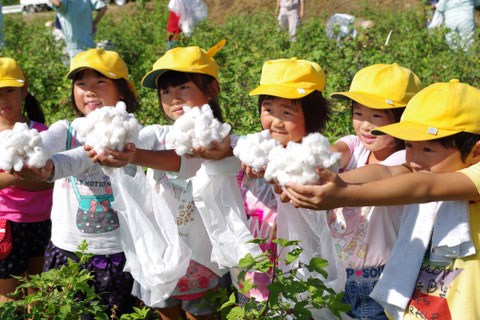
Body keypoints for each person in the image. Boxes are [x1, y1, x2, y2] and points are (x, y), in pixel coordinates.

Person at [280, 79, 480, 319]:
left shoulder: (472, 178)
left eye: (428, 149)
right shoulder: (419, 167)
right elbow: (385, 172)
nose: (414, 160)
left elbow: (425, 187)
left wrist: (343, 196)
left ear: (476, 152)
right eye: (409, 146)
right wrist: (329, 183)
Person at [88, 41, 229, 320]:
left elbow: (185, 161)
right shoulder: (155, 133)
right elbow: (135, 141)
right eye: (165, 91)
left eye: (183, 87)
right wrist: (116, 147)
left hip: (203, 256)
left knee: (202, 315)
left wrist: (132, 156)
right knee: (167, 314)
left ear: (212, 89)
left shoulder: (221, 138)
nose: (173, 97)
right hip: (160, 254)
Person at [22, 49, 139, 318]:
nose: (89, 91)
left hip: (117, 251)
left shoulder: (131, 132)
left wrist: (53, 166)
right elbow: (43, 143)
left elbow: (89, 156)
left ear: (121, 91)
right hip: (68, 250)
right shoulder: (66, 129)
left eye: (100, 82)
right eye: (81, 84)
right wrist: (29, 153)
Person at [327, 63, 423, 320]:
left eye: (377, 116)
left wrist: (334, 181)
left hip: (377, 280)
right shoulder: (354, 145)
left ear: (403, 120)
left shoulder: (406, 160)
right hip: (338, 273)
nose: (365, 126)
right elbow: (330, 154)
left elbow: (378, 176)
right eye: (358, 113)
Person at [0, 57, 53, 302]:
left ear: (24, 91)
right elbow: (44, 179)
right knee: (7, 295)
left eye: (9, 90)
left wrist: (25, 177)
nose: (3, 98)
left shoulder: (43, 132)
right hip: (7, 224)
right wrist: (18, 176)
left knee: (38, 291)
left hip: (46, 220)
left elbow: (56, 178)